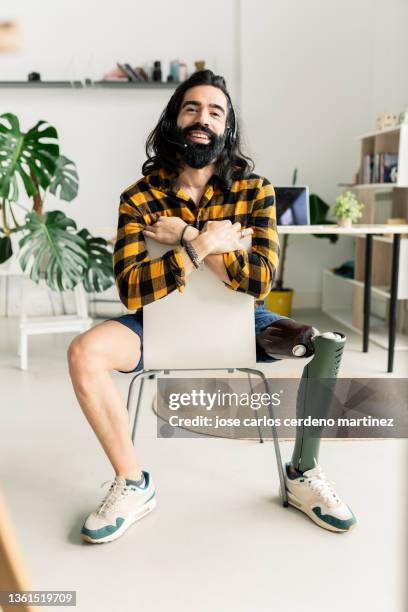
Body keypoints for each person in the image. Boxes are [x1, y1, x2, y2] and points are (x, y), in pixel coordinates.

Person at [68, 70, 356, 544]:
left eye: (215, 111)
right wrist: (204, 247)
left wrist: (181, 235)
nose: (203, 118)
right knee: (84, 352)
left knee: (323, 345)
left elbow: (260, 280)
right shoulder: (138, 198)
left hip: (245, 321)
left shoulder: (255, 191)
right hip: (153, 322)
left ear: (228, 129)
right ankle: (133, 483)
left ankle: (303, 473)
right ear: (173, 121)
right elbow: (132, 291)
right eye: (191, 108)